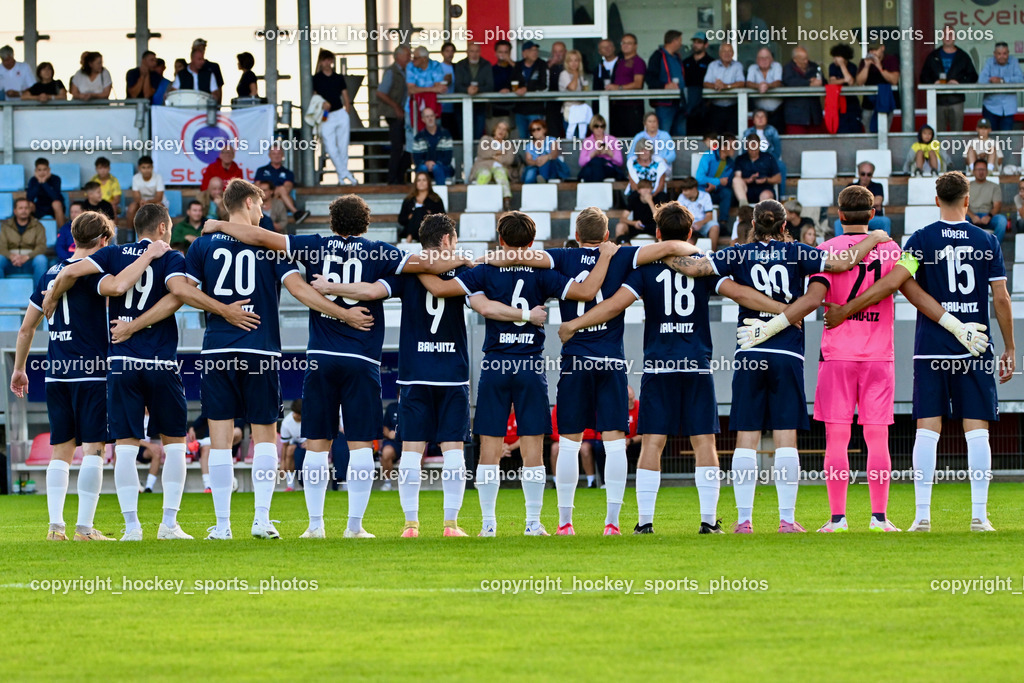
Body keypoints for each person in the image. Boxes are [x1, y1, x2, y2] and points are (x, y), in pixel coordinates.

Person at [200, 192, 469, 538]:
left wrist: (220, 224)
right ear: (366, 224)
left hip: (321, 358)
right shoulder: (380, 251)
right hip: (362, 359)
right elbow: (430, 265)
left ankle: (315, 526)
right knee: (359, 445)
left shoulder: (313, 245)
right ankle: (354, 527)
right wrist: (465, 260)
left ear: (331, 222)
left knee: (316, 444)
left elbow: (260, 236)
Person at [122, 179, 350, 540]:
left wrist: (222, 311)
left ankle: (224, 526)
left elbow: (180, 289)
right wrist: (344, 313)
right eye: (259, 204)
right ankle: (261, 520)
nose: (262, 211)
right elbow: (298, 290)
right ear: (247, 202)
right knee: (264, 438)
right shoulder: (270, 243)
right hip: (260, 349)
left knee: (220, 440)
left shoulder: (203, 243)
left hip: (217, 351)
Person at [747, 185, 968, 532]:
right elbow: (906, 289)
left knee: (837, 438)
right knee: (876, 438)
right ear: (873, 213)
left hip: (836, 354)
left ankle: (838, 519)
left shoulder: (825, 249)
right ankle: (879, 518)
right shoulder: (892, 249)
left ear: (839, 214)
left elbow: (816, 298)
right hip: (880, 355)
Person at [314, 213, 551, 537]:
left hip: (414, 372)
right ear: (447, 240)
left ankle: (411, 525)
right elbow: (484, 305)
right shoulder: (465, 272)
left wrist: (330, 286)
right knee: (453, 448)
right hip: (452, 373)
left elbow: (369, 291)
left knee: (412, 449)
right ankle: (451, 524)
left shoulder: (407, 271)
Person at [561, 202, 787, 534]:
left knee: (653, 441)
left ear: (657, 234)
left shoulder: (645, 271)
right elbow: (740, 294)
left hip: (659, 364)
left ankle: (645, 522)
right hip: (695, 363)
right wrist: (784, 313)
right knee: (704, 443)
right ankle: (709, 521)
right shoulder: (703, 268)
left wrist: (575, 324)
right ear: (691, 233)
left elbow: (612, 306)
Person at [666, 199, 890, 533]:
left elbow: (693, 267)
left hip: (750, 349)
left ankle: (744, 520)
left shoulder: (738, 253)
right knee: (786, 437)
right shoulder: (799, 251)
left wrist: (657, 250)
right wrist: (873, 238)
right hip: (787, 353)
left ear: (753, 225)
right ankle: (786, 519)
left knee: (747, 437)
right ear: (785, 226)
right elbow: (844, 263)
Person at [823, 171, 1014, 532]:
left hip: (931, 347)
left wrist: (847, 309)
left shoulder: (922, 239)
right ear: (968, 199)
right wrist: (1011, 347)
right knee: (978, 432)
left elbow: (897, 282)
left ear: (937, 200)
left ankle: (922, 516)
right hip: (975, 346)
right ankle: (979, 516)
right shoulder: (987, 241)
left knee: (927, 430)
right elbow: (1001, 299)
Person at [491, 207, 700, 533]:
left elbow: (517, 257)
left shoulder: (560, 256)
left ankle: (565, 523)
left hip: (575, 360)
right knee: (615, 441)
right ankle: (612, 523)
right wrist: (692, 250)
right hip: (611, 361)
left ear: (576, 235)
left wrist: (479, 261)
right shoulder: (624, 255)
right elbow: (674, 246)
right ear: (606, 236)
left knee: (570, 443)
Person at [417, 211, 614, 536]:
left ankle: (488, 525)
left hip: (495, 364)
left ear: (501, 240)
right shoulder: (544, 273)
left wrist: (412, 267)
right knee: (532, 447)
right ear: (532, 242)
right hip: (530, 365)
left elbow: (441, 288)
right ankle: (533, 524)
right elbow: (586, 292)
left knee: (490, 449)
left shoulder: (484, 271)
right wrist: (605, 257)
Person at [39, 205, 191, 540]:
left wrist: (51, 296)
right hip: (161, 361)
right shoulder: (172, 257)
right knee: (175, 445)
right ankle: (169, 524)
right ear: (164, 227)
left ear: (135, 228)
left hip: (121, 363)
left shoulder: (113, 253)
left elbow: (68, 272)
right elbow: (177, 296)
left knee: (124, 446)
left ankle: (132, 528)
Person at [10, 212, 116, 541]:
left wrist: (19, 368)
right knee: (94, 450)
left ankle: (56, 527)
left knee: (61, 451)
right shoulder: (97, 271)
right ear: (103, 241)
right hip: (92, 373)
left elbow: (27, 327)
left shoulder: (50, 275)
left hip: (56, 373)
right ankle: (85, 527)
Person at [919, 26, 978, 132]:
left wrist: (959, 83)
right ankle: (939, 150)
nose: (948, 37)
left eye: (950, 34)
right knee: (937, 135)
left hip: (956, 101)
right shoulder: (933, 56)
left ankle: (956, 149)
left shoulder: (963, 56)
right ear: (941, 37)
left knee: (957, 134)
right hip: (938, 101)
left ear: (955, 37)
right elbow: (923, 76)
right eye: (945, 34)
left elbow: (973, 76)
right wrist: (933, 83)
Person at [313, 49, 356, 185]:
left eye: (328, 60)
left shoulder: (338, 77)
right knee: (331, 147)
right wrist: (322, 104)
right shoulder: (316, 78)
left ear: (331, 61)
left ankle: (341, 177)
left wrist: (346, 111)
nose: (326, 63)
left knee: (343, 146)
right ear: (320, 62)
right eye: (324, 60)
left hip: (339, 112)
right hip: (326, 115)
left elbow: (345, 96)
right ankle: (345, 174)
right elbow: (314, 97)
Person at [376, 45, 411, 185]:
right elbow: (380, 92)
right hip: (394, 114)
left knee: (407, 147)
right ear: (399, 56)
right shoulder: (391, 72)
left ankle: (399, 176)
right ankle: (393, 179)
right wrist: (396, 106)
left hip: (404, 114)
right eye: (407, 55)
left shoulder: (406, 71)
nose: (409, 58)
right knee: (397, 147)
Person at [833, 161, 891, 236]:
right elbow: (846, 203)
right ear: (859, 173)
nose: (865, 177)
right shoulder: (851, 186)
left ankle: (886, 245)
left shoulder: (878, 186)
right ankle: (841, 247)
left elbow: (878, 201)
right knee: (838, 223)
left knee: (886, 221)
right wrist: (870, 203)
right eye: (863, 174)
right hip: (853, 218)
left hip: (872, 218)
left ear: (872, 174)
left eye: (869, 174)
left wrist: (856, 204)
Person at [645, 30, 686, 136]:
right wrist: (664, 86)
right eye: (680, 40)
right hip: (665, 103)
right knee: (664, 135)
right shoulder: (658, 56)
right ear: (674, 41)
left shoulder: (677, 57)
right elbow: (649, 78)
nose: (681, 44)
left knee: (680, 135)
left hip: (680, 102)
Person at [254, 144, 308, 223]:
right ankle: (296, 213)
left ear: (282, 155)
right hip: (264, 198)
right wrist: (270, 193)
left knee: (282, 193)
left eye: (279, 153)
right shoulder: (261, 170)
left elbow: (287, 189)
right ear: (269, 155)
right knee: (281, 190)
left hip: (279, 199)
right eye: (274, 153)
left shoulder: (288, 173)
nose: (276, 156)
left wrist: (271, 192)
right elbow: (257, 188)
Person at [606, 34, 646, 138]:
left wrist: (618, 88)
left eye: (629, 43)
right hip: (618, 106)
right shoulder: (619, 61)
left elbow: (638, 84)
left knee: (633, 138)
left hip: (632, 107)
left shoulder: (638, 62)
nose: (625, 45)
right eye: (623, 43)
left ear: (635, 46)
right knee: (618, 138)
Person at [468, 120, 516, 207]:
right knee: (485, 174)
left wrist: (492, 155)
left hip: (500, 169)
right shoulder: (486, 139)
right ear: (494, 129)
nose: (501, 131)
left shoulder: (508, 144)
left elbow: (509, 160)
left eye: (504, 129)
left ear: (507, 133)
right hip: (483, 167)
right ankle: (476, 198)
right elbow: (483, 152)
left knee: (500, 172)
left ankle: (506, 200)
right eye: (499, 128)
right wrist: (499, 152)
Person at [978, 42, 1023, 131]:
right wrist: (991, 81)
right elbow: (981, 80)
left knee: (1006, 140)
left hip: (1008, 108)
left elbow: (1021, 79)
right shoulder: (989, 62)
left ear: (1008, 53)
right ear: (994, 54)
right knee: (990, 140)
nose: (1002, 56)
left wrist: (1003, 80)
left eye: (1004, 53)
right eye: (999, 54)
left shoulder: (1013, 61)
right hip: (990, 107)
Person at [0, 198, 48, 281]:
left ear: (30, 210)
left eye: (26, 208)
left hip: (30, 261)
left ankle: (40, 293)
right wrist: (11, 256)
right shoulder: (5, 226)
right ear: (15, 211)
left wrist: (27, 257)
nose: (24, 210)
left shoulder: (38, 226)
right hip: (10, 262)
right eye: (20, 208)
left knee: (41, 260)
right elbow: (1, 247)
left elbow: (41, 247)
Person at [453, 41, 493, 141]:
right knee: (464, 137)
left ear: (480, 52)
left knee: (478, 137)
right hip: (462, 108)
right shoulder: (460, 65)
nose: (474, 54)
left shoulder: (486, 65)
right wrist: (467, 90)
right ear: (467, 52)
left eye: (477, 51)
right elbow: (457, 86)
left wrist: (478, 90)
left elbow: (490, 86)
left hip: (480, 107)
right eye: (472, 51)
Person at [855, 43, 899, 133]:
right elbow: (859, 82)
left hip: (886, 102)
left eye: (875, 50)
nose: (873, 52)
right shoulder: (864, 62)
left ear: (882, 48)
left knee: (884, 132)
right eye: (870, 50)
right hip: (868, 104)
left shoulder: (891, 60)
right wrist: (867, 66)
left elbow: (894, 80)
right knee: (869, 133)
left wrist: (880, 67)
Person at [742, 109, 786, 195]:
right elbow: (745, 150)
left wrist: (769, 161)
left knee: (781, 166)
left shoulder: (772, 131)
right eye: (757, 117)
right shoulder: (747, 132)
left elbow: (777, 150)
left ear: (767, 119)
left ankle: (782, 196)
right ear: (753, 120)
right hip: (753, 157)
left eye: (763, 116)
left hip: (769, 158)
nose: (760, 119)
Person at [703, 43, 745, 134]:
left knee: (732, 137)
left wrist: (726, 86)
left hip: (732, 108)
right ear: (719, 53)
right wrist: (715, 86)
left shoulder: (737, 66)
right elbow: (705, 83)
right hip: (716, 108)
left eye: (729, 51)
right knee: (715, 137)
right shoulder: (712, 65)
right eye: (724, 51)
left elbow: (741, 83)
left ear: (733, 53)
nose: (727, 53)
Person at [695, 134, 736, 223]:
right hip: (703, 190)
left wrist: (715, 186)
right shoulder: (708, 155)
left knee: (727, 193)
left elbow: (727, 183)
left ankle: (723, 224)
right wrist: (718, 181)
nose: (734, 148)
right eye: (732, 146)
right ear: (724, 147)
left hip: (717, 191)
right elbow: (699, 178)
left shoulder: (731, 163)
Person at [782, 46, 823, 134]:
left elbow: (824, 81)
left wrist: (819, 82)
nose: (806, 61)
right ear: (795, 59)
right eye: (803, 59)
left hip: (813, 115)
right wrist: (809, 83)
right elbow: (789, 82)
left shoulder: (814, 66)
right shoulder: (787, 68)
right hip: (795, 116)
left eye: (807, 58)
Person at [732, 133, 781, 207]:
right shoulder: (741, 159)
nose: (754, 151)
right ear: (747, 147)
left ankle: (761, 217)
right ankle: (744, 209)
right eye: (751, 149)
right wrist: (748, 180)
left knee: (766, 195)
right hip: (746, 190)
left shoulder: (768, 158)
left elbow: (778, 178)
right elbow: (737, 177)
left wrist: (765, 180)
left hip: (764, 188)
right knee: (736, 180)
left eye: (756, 148)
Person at [512, 41, 549, 139]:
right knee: (522, 138)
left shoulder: (542, 64)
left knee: (537, 137)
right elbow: (511, 81)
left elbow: (544, 85)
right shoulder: (518, 66)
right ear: (524, 53)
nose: (535, 52)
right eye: (531, 50)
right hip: (520, 109)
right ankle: (525, 155)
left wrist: (527, 89)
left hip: (536, 109)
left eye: (536, 50)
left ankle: (537, 155)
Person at [411, 107, 454, 185]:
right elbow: (416, 159)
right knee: (422, 168)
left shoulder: (445, 134)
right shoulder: (418, 137)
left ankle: (440, 196)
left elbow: (448, 158)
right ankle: (423, 196)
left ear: (435, 117)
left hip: (443, 167)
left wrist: (435, 164)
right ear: (423, 119)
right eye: (427, 117)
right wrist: (426, 163)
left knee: (437, 168)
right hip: (425, 168)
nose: (430, 118)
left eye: (432, 116)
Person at [398, 171, 445, 242]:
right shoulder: (409, 200)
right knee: (418, 211)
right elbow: (401, 220)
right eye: (419, 180)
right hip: (410, 227)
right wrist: (409, 217)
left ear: (428, 182)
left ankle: (410, 237)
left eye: (424, 180)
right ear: (415, 183)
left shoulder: (435, 199)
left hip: (429, 230)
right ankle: (411, 235)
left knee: (419, 211)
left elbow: (442, 218)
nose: (421, 183)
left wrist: (428, 215)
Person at [967, 160, 1007, 242]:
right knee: (960, 220)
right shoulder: (966, 186)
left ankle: (994, 248)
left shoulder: (994, 186)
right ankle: (965, 247)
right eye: (978, 169)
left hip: (988, 216)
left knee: (1002, 221)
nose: (981, 172)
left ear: (987, 171)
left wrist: (989, 216)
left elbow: (997, 205)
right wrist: (972, 216)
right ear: (973, 171)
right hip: (971, 216)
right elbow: (962, 205)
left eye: (983, 169)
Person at [683, 32, 714, 135]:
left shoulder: (711, 63)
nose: (696, 44)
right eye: (694, 42)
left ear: (706, 45)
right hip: (689, 106)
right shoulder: (686, 62)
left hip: (705, 106)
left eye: (699, 42)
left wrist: (709, 102)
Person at [746, 48, 784, 131]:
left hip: (777, 111)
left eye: (766, 58)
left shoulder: (777, 66)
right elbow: (748, 83)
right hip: (760, 112)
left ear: (772, 59)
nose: (764, 60)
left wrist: (767, 85)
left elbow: (778, 82)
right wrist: (758, 86)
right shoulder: (752, 68)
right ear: (756, 60)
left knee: (777, 137)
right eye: (761, 58)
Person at [578, 114, 624, 182]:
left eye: (602, 126)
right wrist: (593, 154)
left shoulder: (612, 140)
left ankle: (593, 191)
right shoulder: (587, 141)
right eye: (596, 126)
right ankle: (598, 190)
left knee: (592, 169)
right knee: (593, 166)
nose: (599, 129)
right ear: (592, 127)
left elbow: (620, 162)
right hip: (592, 166)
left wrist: (609, 153)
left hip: (607, 166)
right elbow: (581, 162)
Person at [522, 118, 570, 184]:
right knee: (530, 173)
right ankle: (534, 184)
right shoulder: (529, 145)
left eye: (538, 129)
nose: (536, 132)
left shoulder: (552, 140)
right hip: (535, 167)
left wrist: (545, 157)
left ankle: (543, 179)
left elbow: (554, 154)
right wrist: (537, 162)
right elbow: (528, 160)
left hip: (551, 167)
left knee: (547, 163)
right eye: (533, 130)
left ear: (544, 129)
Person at [827, 44, 861, 134]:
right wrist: (844, 80)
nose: (835, 60)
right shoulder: (832, 66)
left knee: (854, 129)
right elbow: (832, 82)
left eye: (837, 57)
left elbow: (850, 82)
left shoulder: (852, 67)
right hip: (837, 104)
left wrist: (842, 65)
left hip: (851, 105)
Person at [677, 176, 719, 250]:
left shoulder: (705, 196)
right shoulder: (681, 197)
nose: (683, 192)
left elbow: (709, 216)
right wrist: (689, 224)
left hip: (703, 224)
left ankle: (713, 254)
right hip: (688, 225)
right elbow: (679, 215)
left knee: (714, 226)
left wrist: (700, 223)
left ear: (694, 189)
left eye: (686, 190)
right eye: (683, 190)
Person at [558, 49, 590, 138]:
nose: (574, 63)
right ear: (567, 62)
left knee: (581, 137)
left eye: (576, 60)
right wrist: (575, 75)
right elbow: (572, 88)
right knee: (571, 137)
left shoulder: (581, 75)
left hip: (580, 109)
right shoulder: (564, 74)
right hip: (569, 110)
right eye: (571, 60)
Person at [25, 157, 64, 225]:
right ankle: (29, 230)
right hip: (39, 207)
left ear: (49, 170)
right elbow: (29, 198)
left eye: (44, 169)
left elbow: (56, 197)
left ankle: (61, 232)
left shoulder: (56, 179)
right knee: (29, 205)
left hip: (53, 207)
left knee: (56, 203)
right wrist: (39, 182)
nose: (42, 172)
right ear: (36, 171)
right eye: (39, 170)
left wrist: (44, 183)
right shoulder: (33, 180)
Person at [490, 40, 516, 130]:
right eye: (500, 52)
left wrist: (510, 61)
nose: (503, 55)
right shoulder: (491, 70)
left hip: (511, 111)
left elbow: (523, 78)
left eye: (506, 52)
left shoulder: (515, 68)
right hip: (494, 111)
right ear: (495, 53)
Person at [280, 400, 305, 492]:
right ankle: (290, 486)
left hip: (312, 444)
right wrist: (282, 462)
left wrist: (310, 442)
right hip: (298, 445)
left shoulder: (311, 417)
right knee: (290, 450)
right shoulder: (286, 423)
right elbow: (285, 445)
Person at [378, 402, 399, 492]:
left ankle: (414, 483)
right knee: (386, 453)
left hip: (411, 440)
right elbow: (384, 426)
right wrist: (389, 434)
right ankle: (387, 483)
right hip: (393, 442)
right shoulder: (392, 407)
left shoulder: (416, 405)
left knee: (419, 454)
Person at [438, 41, 458, 136]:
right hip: (442, 107)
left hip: (455, 107)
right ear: (442, 53)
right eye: (447, 51)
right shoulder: (438, 67)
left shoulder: (457, 67)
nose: (450, 54)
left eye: (452, 51)